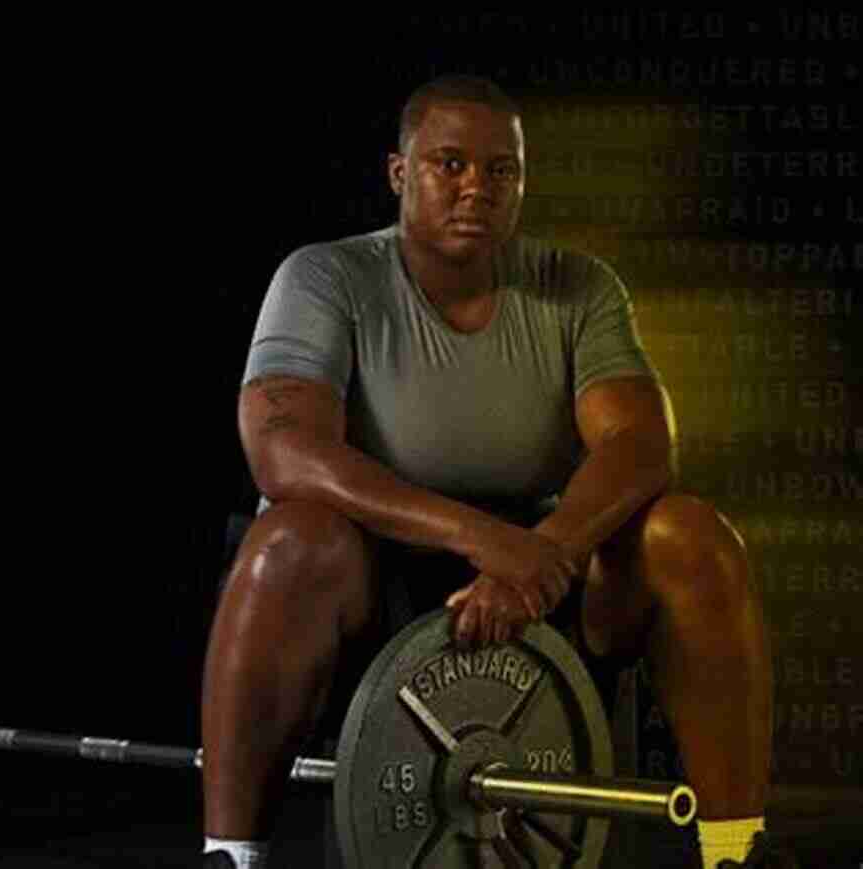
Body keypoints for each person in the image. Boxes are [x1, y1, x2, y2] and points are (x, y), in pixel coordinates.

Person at [199, 76, 794, 868]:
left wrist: (541, 555)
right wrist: (483, 540)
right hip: (378, 572)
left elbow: (642, 445)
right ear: (399, 173)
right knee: (288, 539)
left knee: (691, 534)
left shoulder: (579, 287)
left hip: (549, 570)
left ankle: (735, 852)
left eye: (500, 170)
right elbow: (282, 448)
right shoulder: (325, 278)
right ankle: (231, 854)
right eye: (449, 164)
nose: (476, 186)